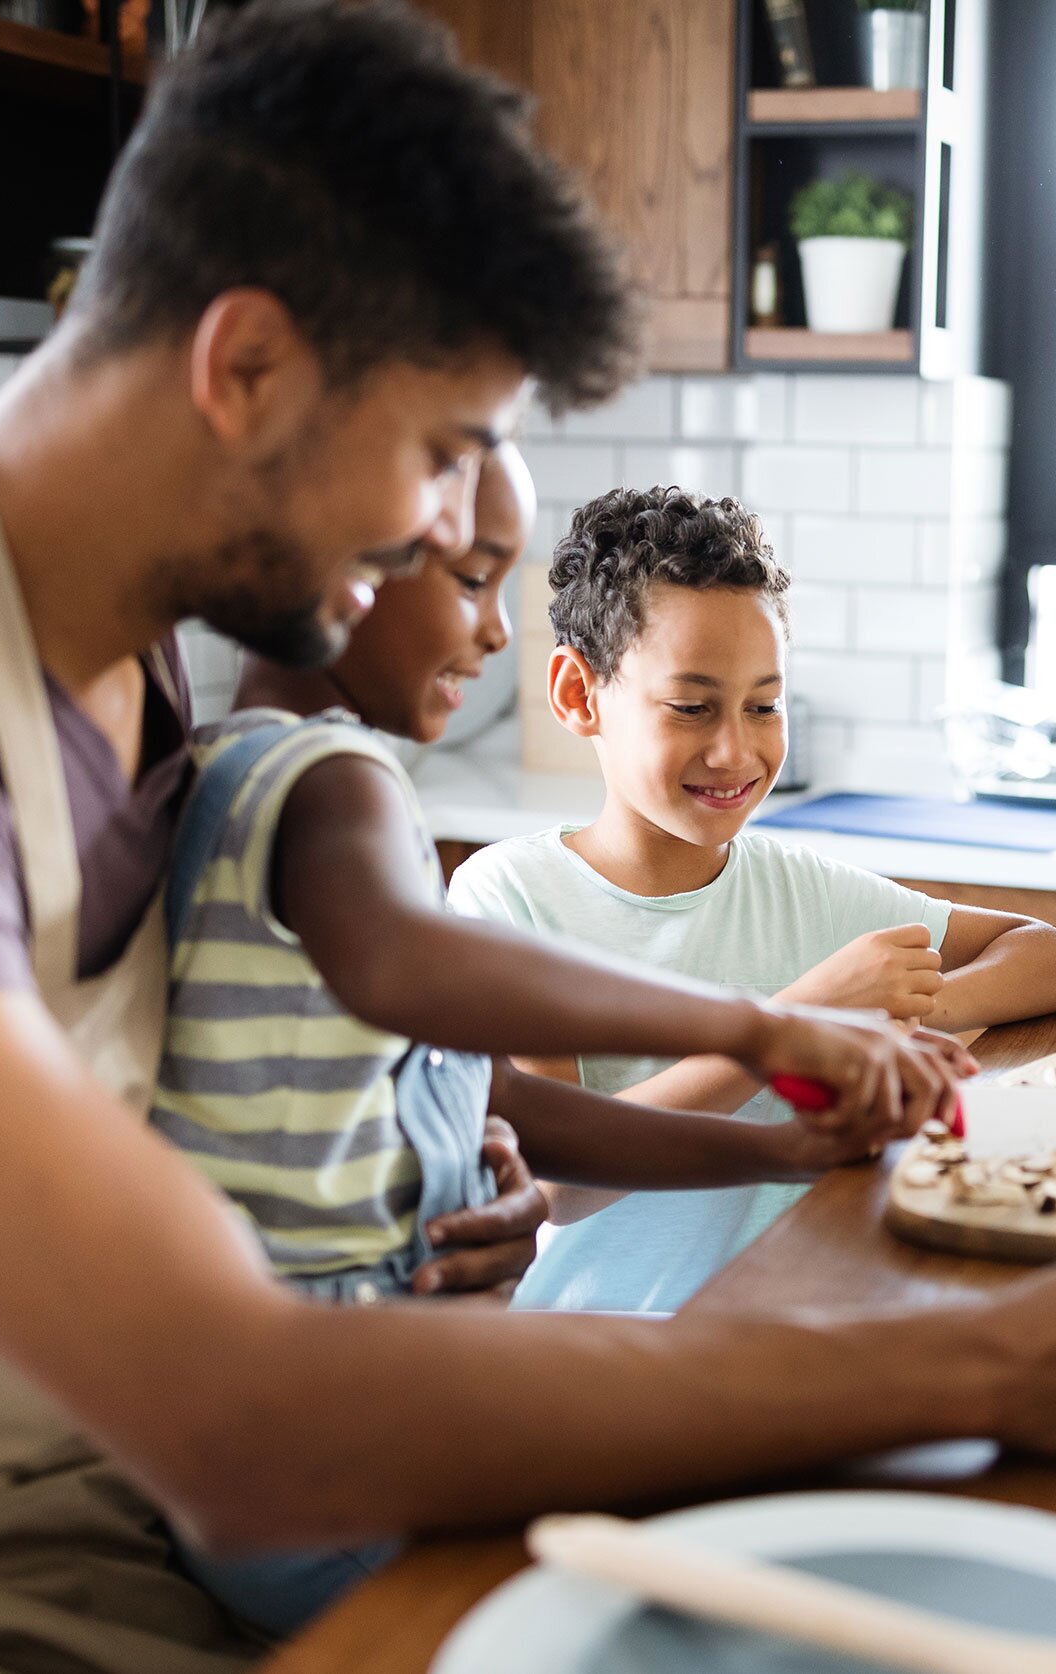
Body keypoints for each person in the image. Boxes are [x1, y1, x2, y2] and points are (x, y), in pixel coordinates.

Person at [0, 6, 1056, 1668]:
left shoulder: (130, 669)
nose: (441, 527)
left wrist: (440, 1165)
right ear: (246, 368)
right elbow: (237, 1412)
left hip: (126, 1476)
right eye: (441, 452)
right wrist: (998, 1361)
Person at [156, 448, 954, 1635]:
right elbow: (414, 968)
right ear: (346, 568)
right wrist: (758, 1026)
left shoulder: (267, 767)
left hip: (318, 1436)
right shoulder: (326, 775)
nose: (493, 634)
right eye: (472, 579)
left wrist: (783, 1151)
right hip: (338, 1442)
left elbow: (519, 1112)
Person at [449, 487, 1056, 1313]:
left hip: (797, 1319)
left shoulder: (799, 889)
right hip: (609, 1345)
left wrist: (892, 1018)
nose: (736, 750)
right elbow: (560, 1180)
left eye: (764, 706)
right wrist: (798, 1024)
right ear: (580, 696)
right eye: (691, 708)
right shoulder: (509, 895)